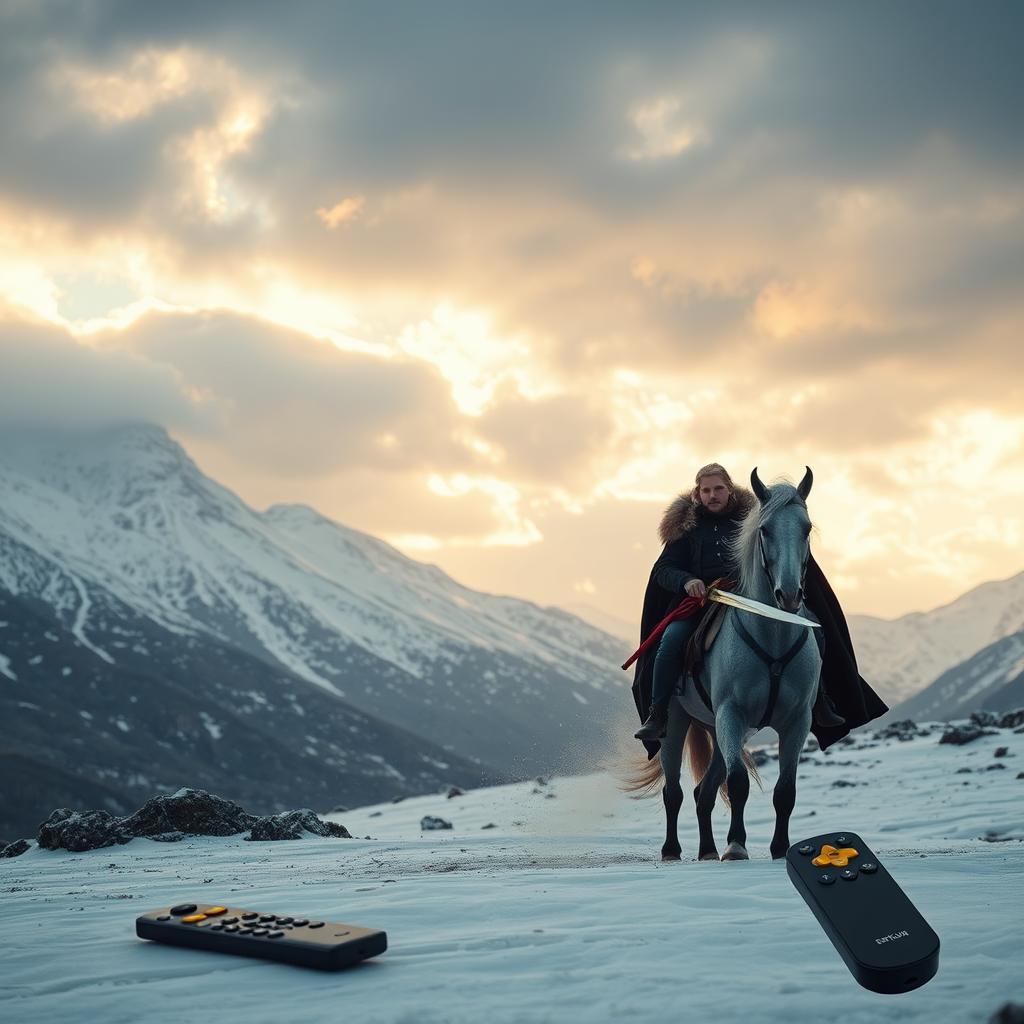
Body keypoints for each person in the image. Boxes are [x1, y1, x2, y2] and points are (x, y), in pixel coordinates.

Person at [632, 463, 848, 742]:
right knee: (670, 642)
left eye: (718, 488)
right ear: (697, 493)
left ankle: (820, 700)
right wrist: (687, 581)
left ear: (730, 490)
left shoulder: (752, 520)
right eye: (706, 490)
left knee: (814, 629)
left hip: (748, 599)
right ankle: (658, 713)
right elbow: (663, 569)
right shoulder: (686, 528)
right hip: (701, 603)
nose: (712, 495)